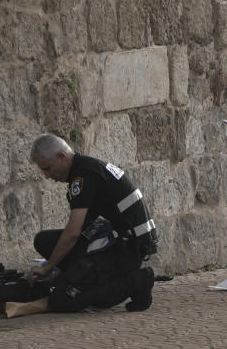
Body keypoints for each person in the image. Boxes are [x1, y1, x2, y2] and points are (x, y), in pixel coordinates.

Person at [26, 134, 157, 313]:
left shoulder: (85, 175)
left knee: (62, 301)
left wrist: (48, 268)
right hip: (113, 239)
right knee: (43, 240)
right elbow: (86, 228)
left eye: (48, 169)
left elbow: (73, 232)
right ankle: (79, 275)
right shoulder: (86, 168)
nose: (47, 176)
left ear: (61, 156)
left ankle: (140, 279)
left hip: (127, 249)